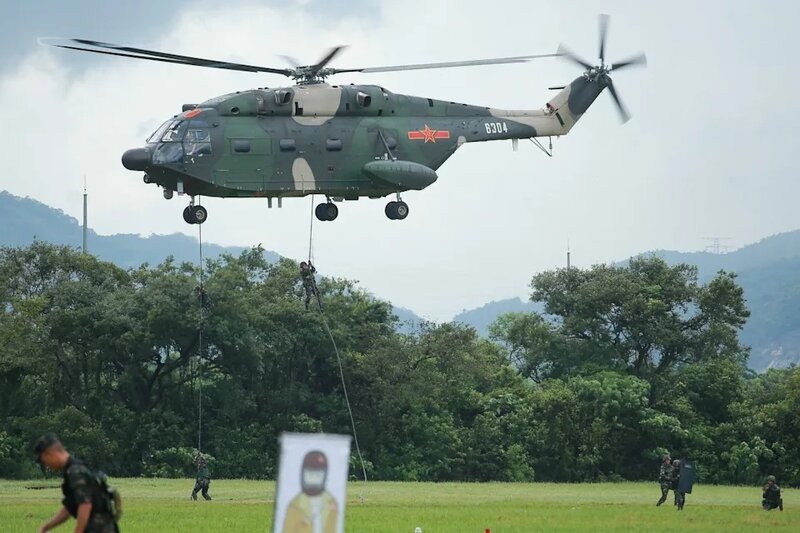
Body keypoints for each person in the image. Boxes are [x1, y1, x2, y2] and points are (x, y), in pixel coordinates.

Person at [34, 433, 119, 533]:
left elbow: (85, 505)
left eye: (43, 461)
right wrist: (47, 527)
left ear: (48, 454)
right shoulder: (76, 468)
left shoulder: (75, 472)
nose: (46, 465)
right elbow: (70, 507)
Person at [283, 450, 338, 532]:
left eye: (318, 473)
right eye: (310, 473)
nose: (314, 478)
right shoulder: (295, 505)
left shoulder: (331, 503)